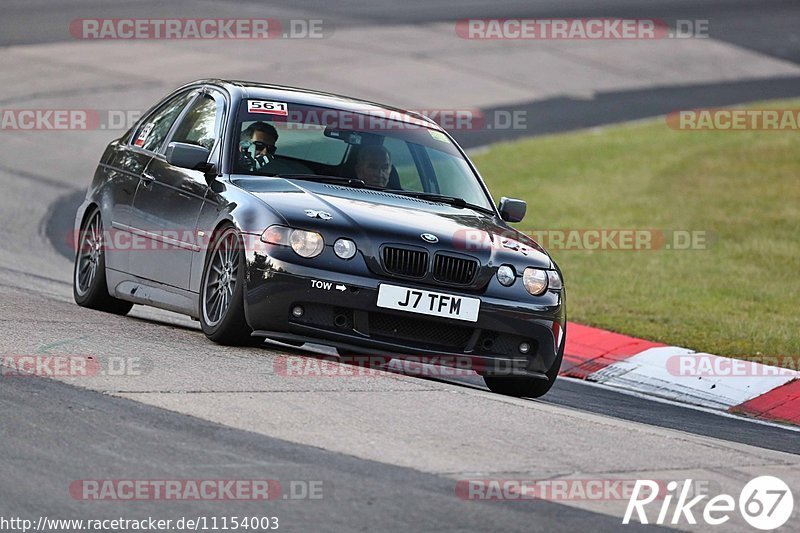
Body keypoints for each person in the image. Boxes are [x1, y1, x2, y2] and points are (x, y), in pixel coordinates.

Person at [238, 121, 310, 174]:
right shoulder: (229, 166)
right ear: (243, 147)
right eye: (259, 146)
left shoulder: (279, 171)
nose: (265, 152)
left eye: (270, 149)